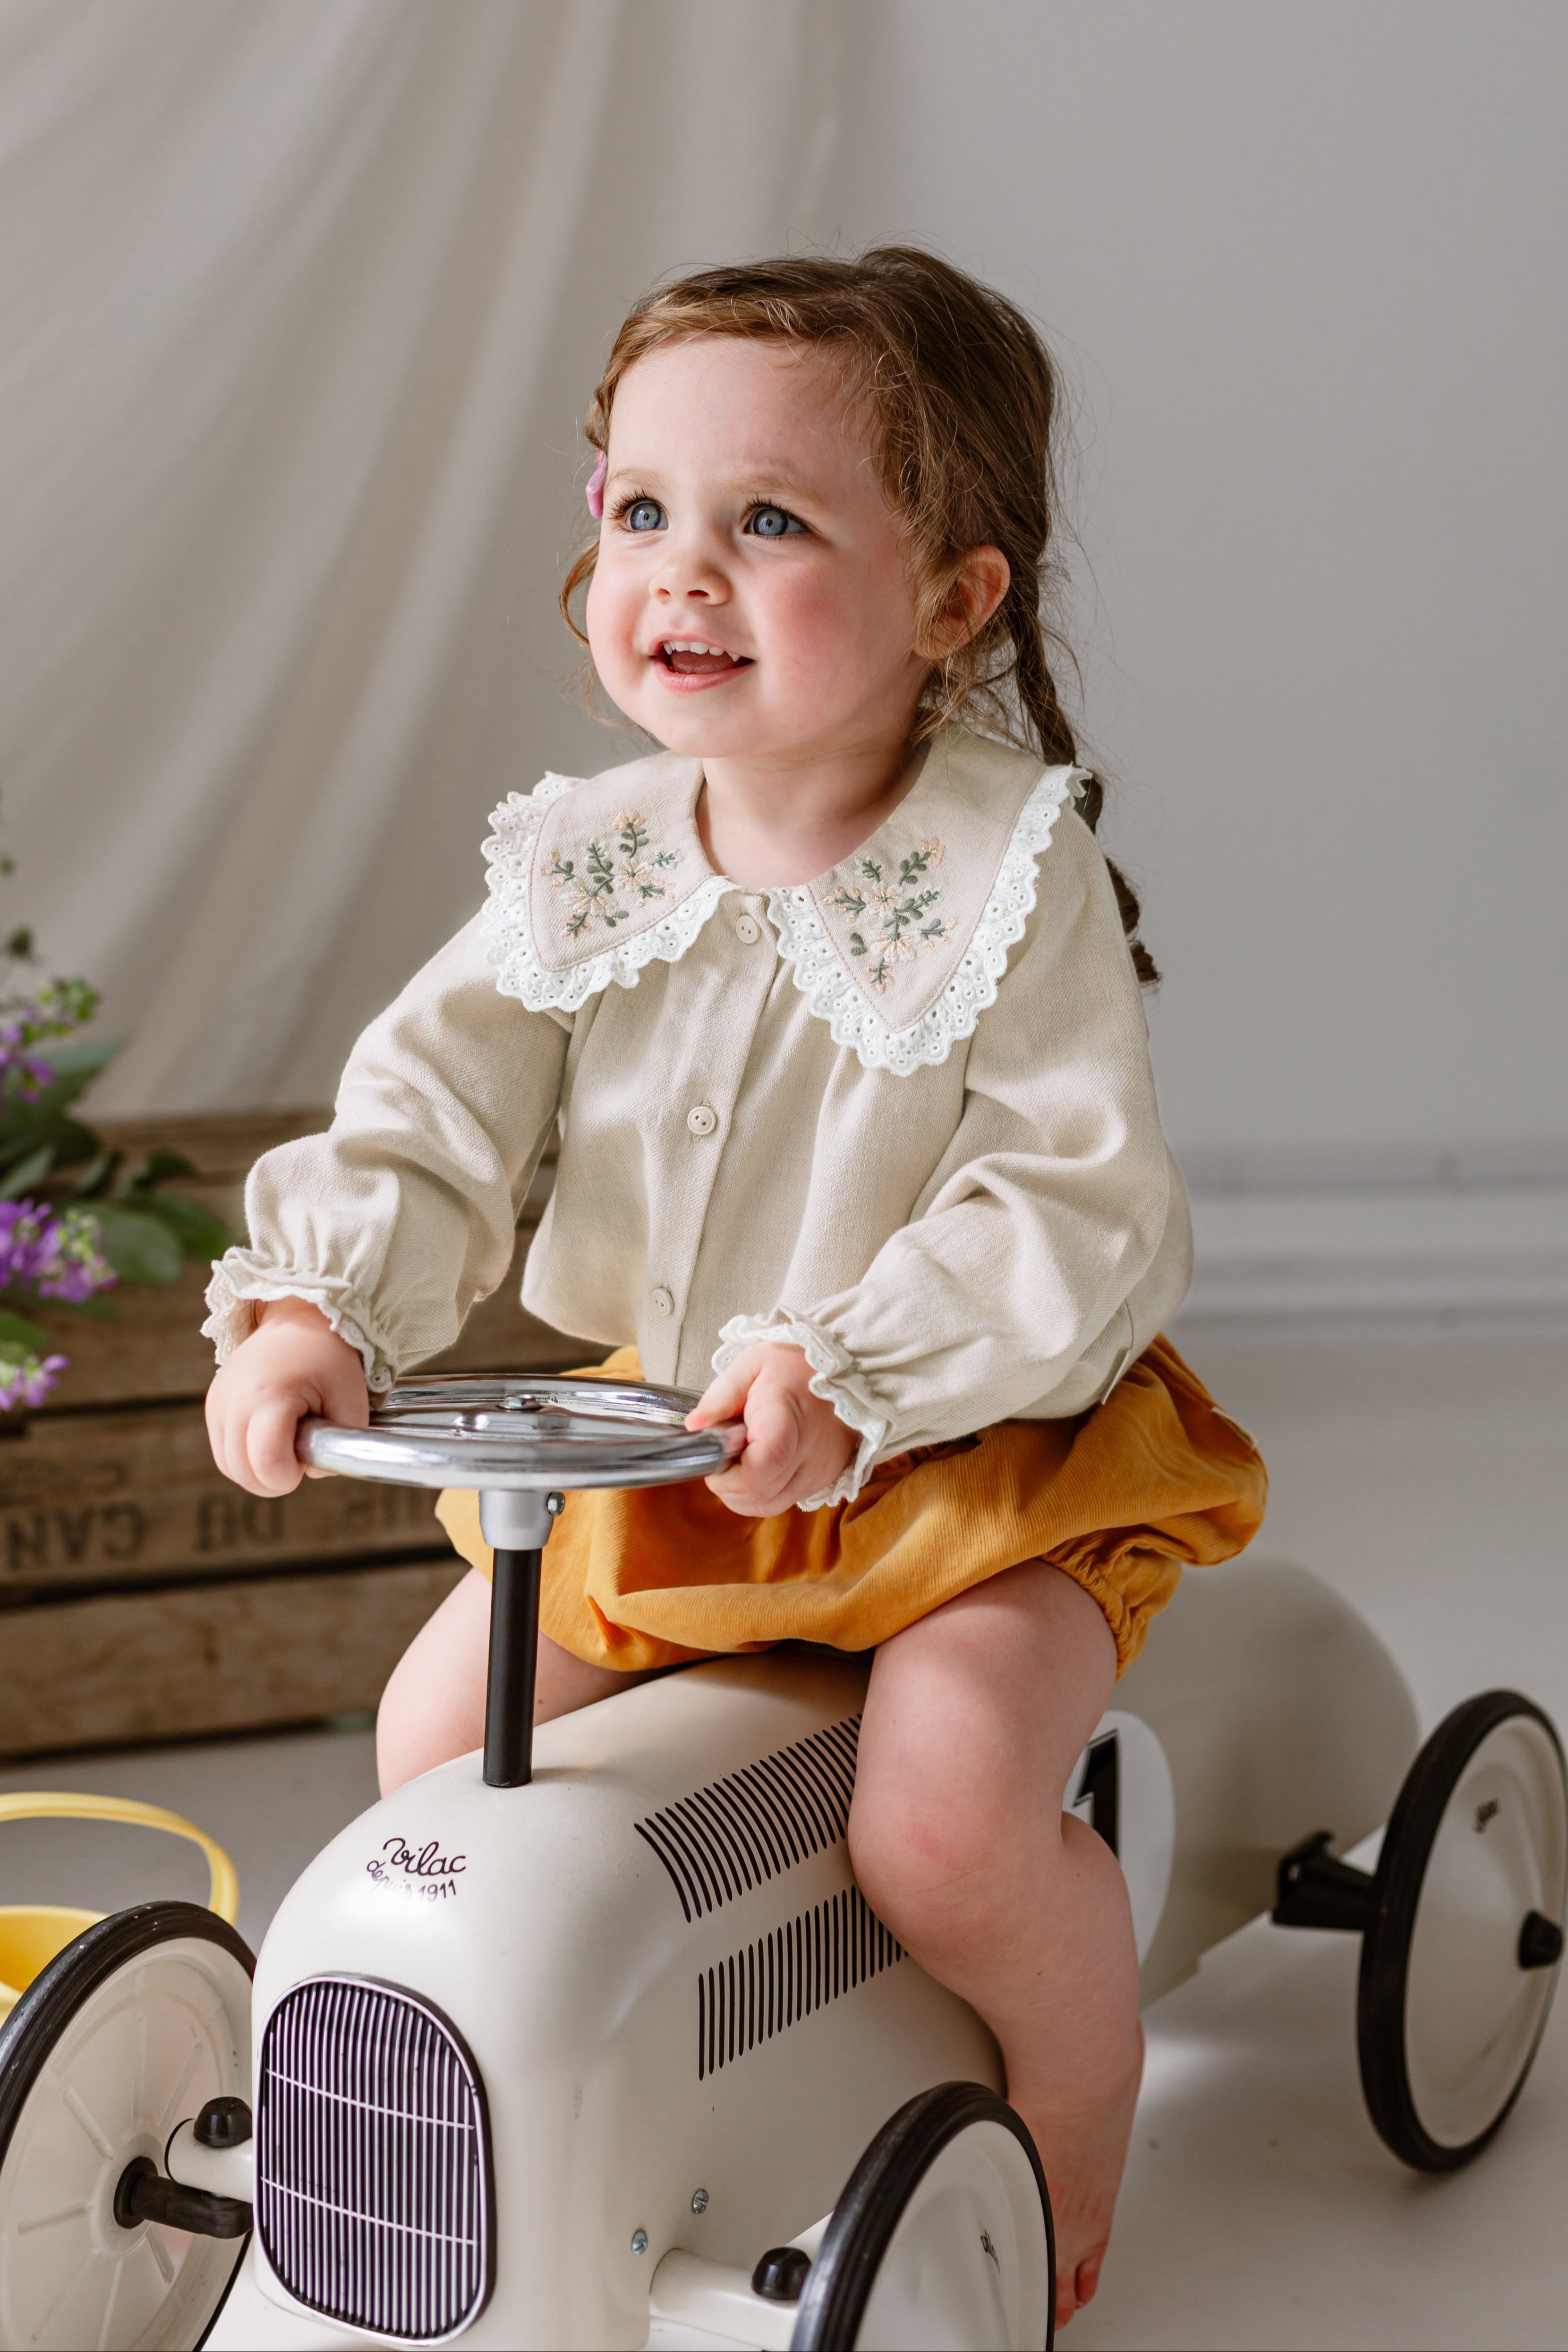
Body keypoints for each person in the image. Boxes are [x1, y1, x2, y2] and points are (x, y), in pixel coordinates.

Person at [204, 248, 1266, 2327]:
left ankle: (1073, 2085)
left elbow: (1074, 1199)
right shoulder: (586, 858)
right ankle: (639, 2091)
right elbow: (433, 1109)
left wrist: (859, 1361)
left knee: (943, 1823)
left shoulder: (1001, 868)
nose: (681, 570)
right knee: (439, 1739)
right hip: (680, 1444)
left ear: (950, 598)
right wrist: (324, 1302)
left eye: (766, 518)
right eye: (640, 509)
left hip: (968, 1460)